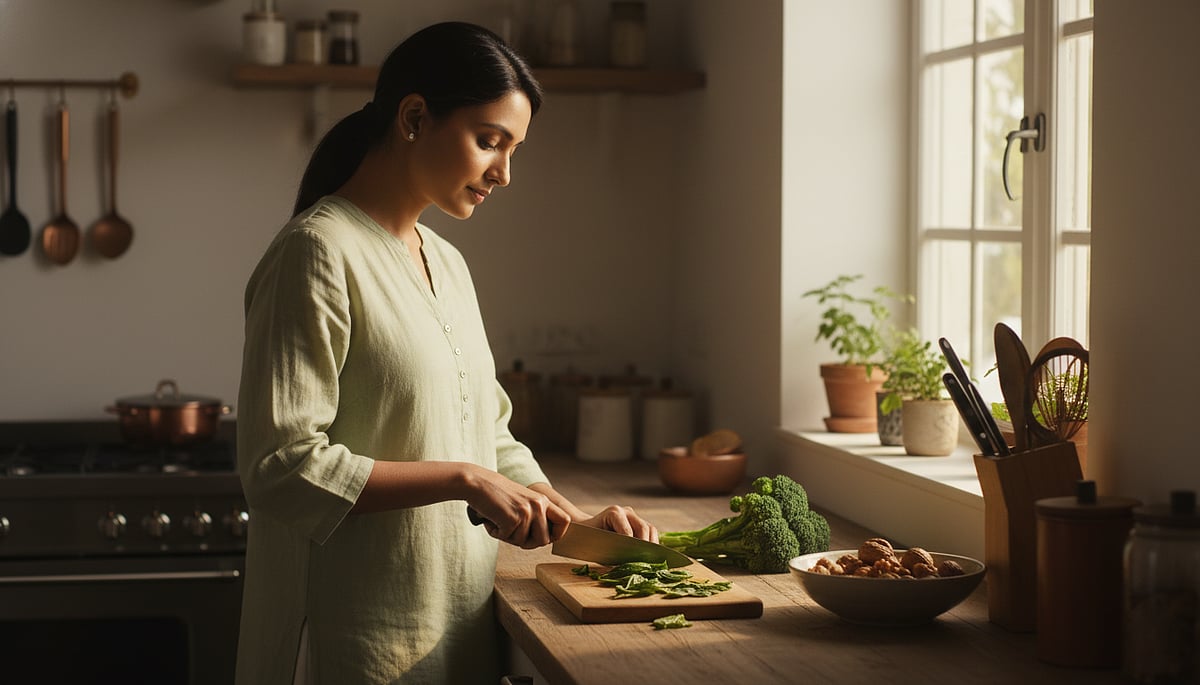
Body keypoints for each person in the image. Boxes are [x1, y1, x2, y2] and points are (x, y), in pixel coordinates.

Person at [234, 21, 658, 685]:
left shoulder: (447, 262)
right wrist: (463, 478)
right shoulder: (315, 253)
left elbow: (488, 434)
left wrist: (577, 523)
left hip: (454, 627)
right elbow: (280, 464)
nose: (505, 172)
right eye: (490, 141)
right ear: (413, 118)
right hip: (352, 638)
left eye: (513, 149)